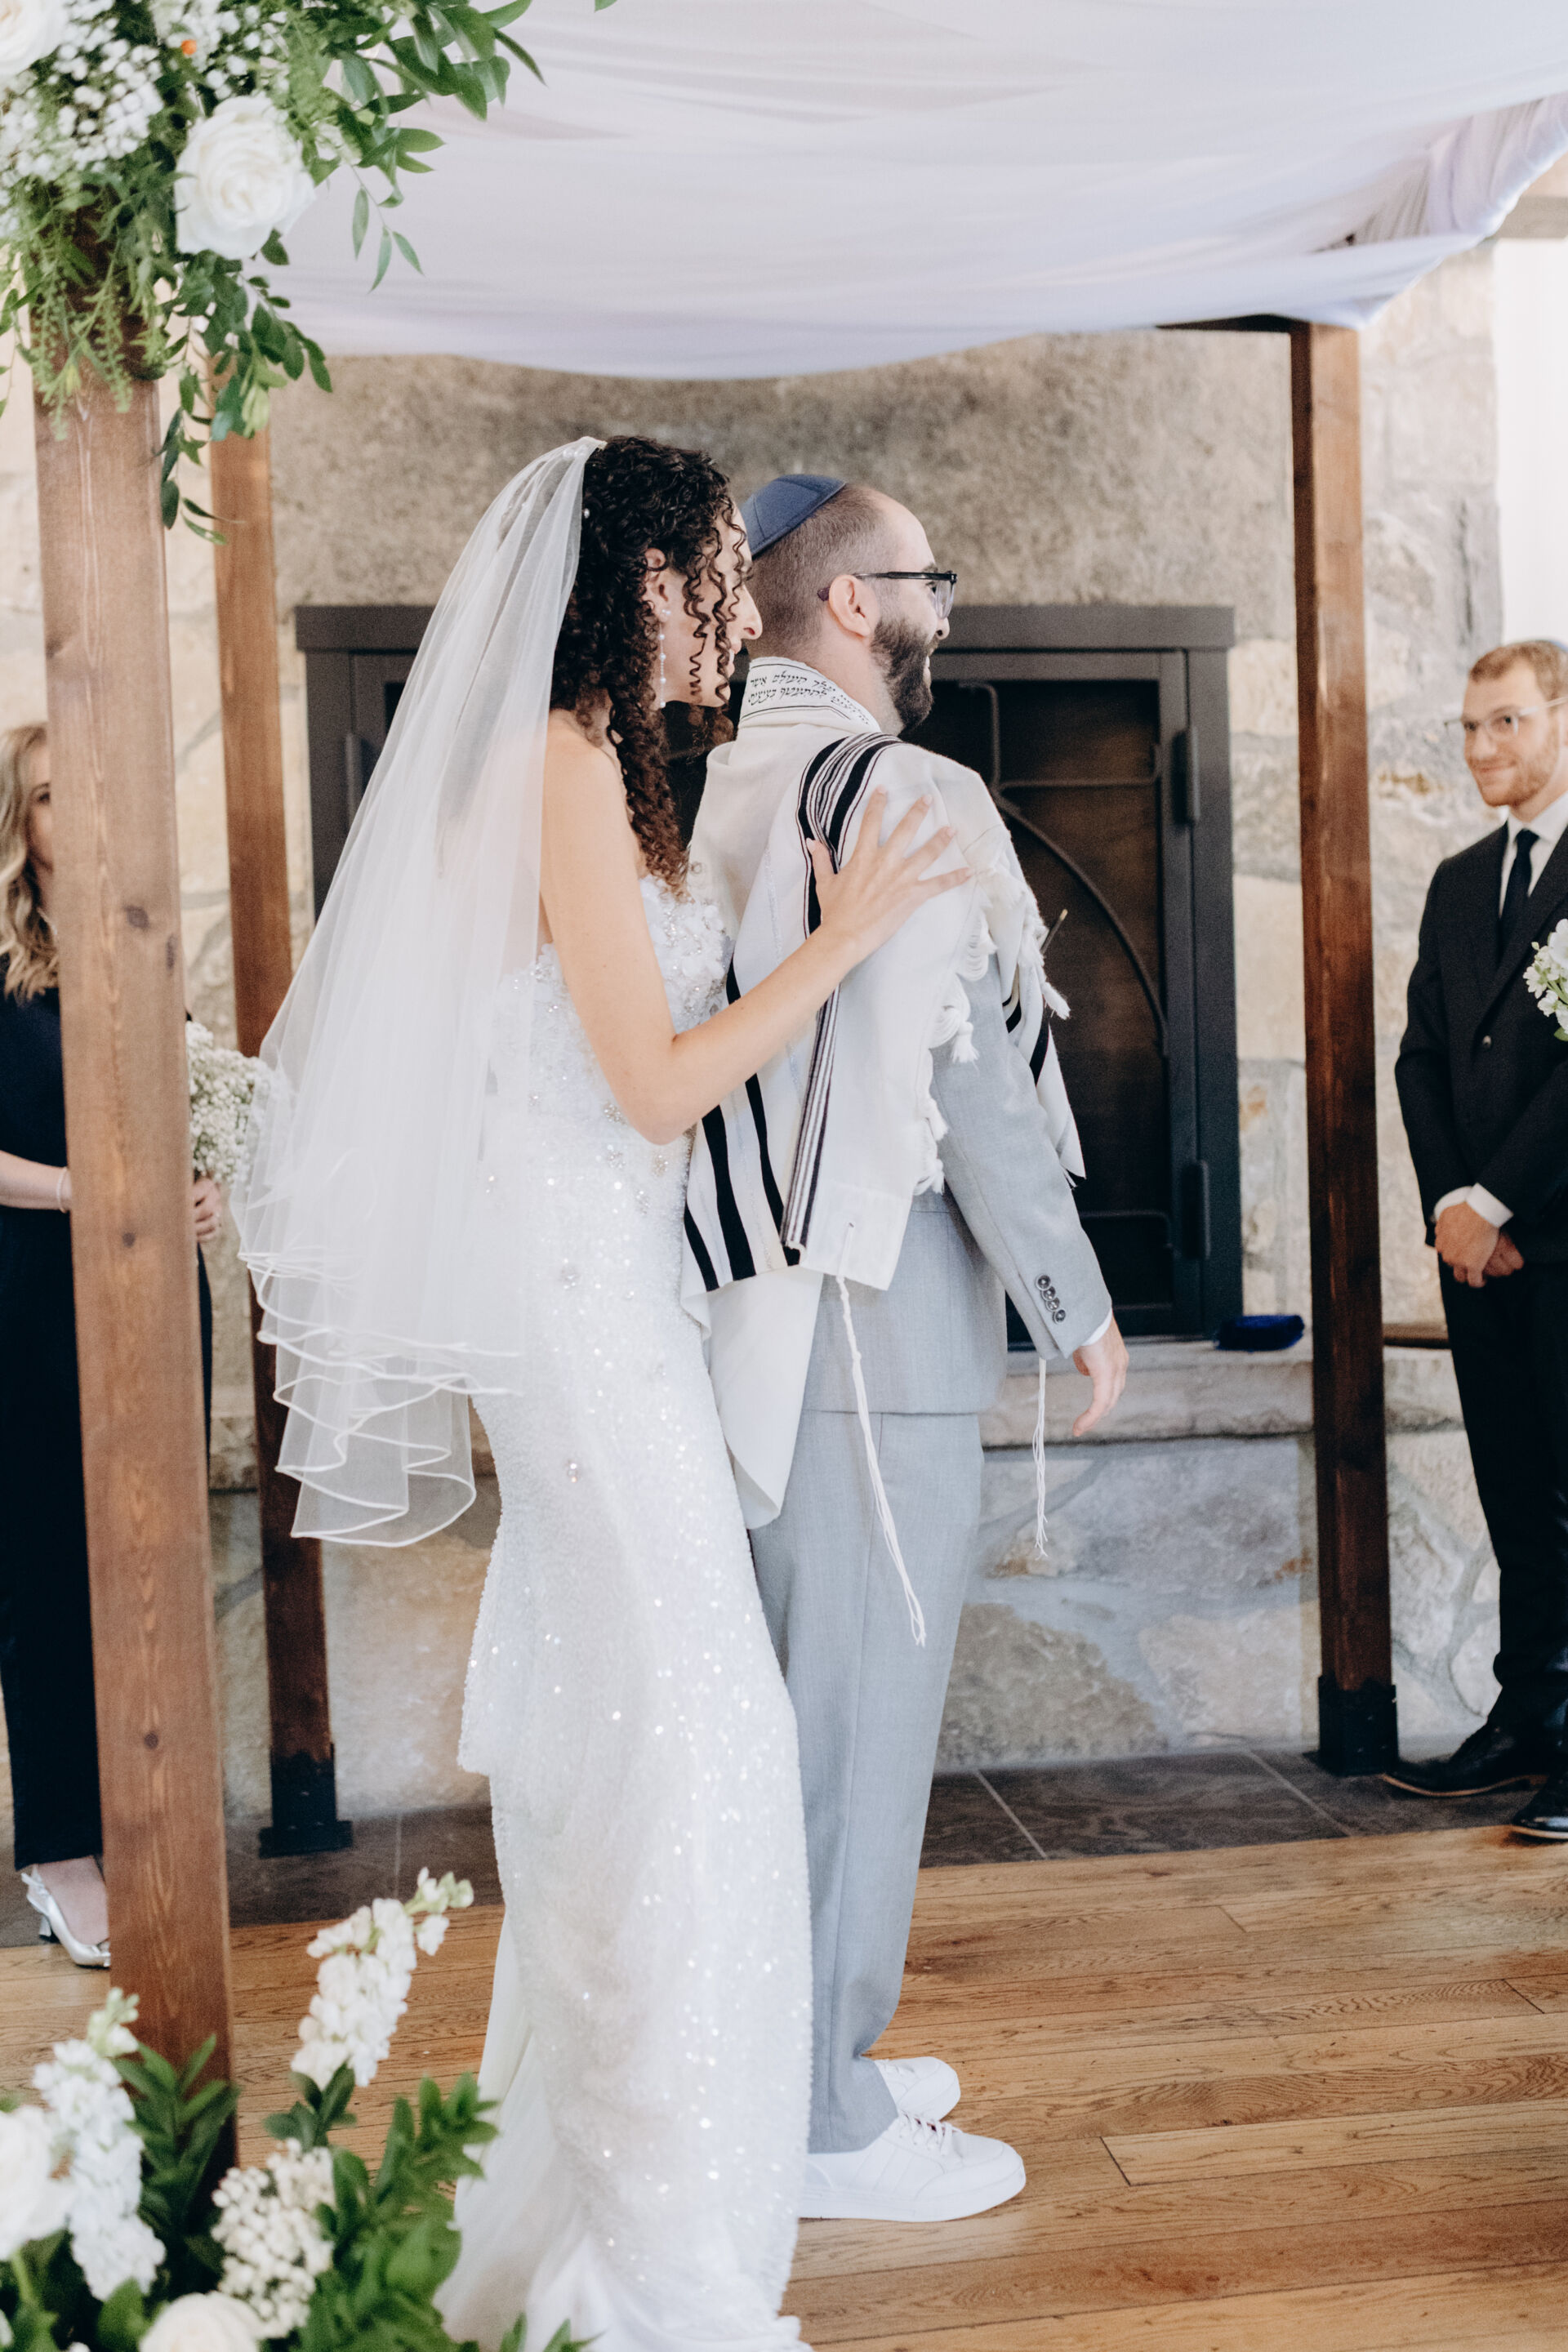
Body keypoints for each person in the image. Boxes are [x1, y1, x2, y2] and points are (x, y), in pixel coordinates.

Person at [234, 438, 968, 2352]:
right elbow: (652, 1089)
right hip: (569, 1311)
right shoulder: (554, 762)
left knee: (646, 1728)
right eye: (712, 568)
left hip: (620, 1293)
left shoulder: (615, 773)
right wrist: (846, 943)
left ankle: (631, 2188)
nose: (736, 605)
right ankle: (653, 2242)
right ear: (639, 581)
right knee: (693, 1725)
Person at [683, 476, 1126, 2221]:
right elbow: (968, 1068)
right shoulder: (903, 787)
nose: (945, 605)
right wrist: (1073, 1298)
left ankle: (794, 2049)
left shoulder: (710, 781)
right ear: (855, 605)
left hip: (744, 1317)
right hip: (879, 1329)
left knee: (793, 1714)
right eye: (927, 578)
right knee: (858, 1723)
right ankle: (821, 2114)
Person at [0, 723, 220, 1968]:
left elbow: (181, 1115)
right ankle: (60, 1855)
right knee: (46, 1571)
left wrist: (199, 1189)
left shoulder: (139, 949)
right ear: (18, 825)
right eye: (44, 797)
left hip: (153, 1290)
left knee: (153, 1560)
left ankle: (146, 1825)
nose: (66, 816)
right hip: (33, 1293)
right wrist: (90, 1195)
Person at [1389, 639, 1568, 1833]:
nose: (1481, 747)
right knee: (1512, 1486)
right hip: (1479, 1254)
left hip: (1558, 1237)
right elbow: (1421, 1058)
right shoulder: (1460, 882)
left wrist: (1495, 1201)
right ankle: (1531, 1712)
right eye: (1468, 726)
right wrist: (1453, 1205)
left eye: (1506, 721)